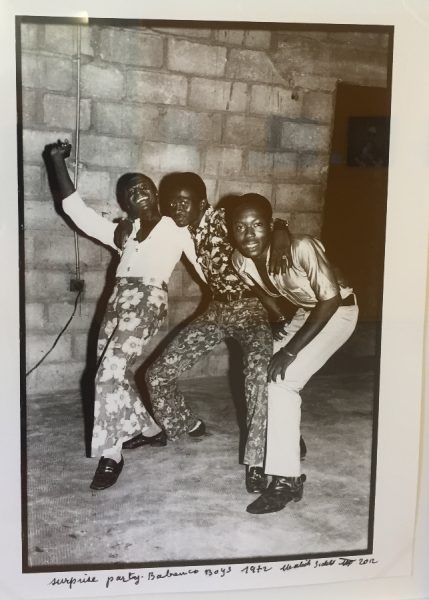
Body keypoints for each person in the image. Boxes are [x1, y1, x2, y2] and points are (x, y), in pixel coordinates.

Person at [44, 141, 205, 491]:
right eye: (131, 192)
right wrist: (56, 160)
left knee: (106, 374)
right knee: (113, 373)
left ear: (156, 194)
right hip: (117, 300)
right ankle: (149, 430)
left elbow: (204, 265)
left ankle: (111, 454)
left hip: (149, 300)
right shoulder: (124, 232)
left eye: (145, 187)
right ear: (125, 203)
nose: (140, 192)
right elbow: (76, 211)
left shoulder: (175, 227)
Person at [137, 173, 292, 493]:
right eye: (171, 201)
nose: (177, 206)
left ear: (202, 202)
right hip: (217, 310)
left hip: (253, 309)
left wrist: (281, 232)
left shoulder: (223, 218)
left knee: (257, 374)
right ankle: (183, 424)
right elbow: (146, 228)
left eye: (185, 201)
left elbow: (266, 222)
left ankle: (259, 461)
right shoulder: (179, 228)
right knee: (157, 373)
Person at [230, 193, 359, 514]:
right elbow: (262, 289)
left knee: (282, 381)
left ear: (270, 224)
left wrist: (290, 350)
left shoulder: (300, 247)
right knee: (260, 370)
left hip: (338, 310)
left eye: (258, 225)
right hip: (304, 312)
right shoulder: (239, 259)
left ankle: (287, 481)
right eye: (240, 227)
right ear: (231, 230)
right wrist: (277, 318)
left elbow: (329, 302)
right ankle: (286, 439)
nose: (249, 234)